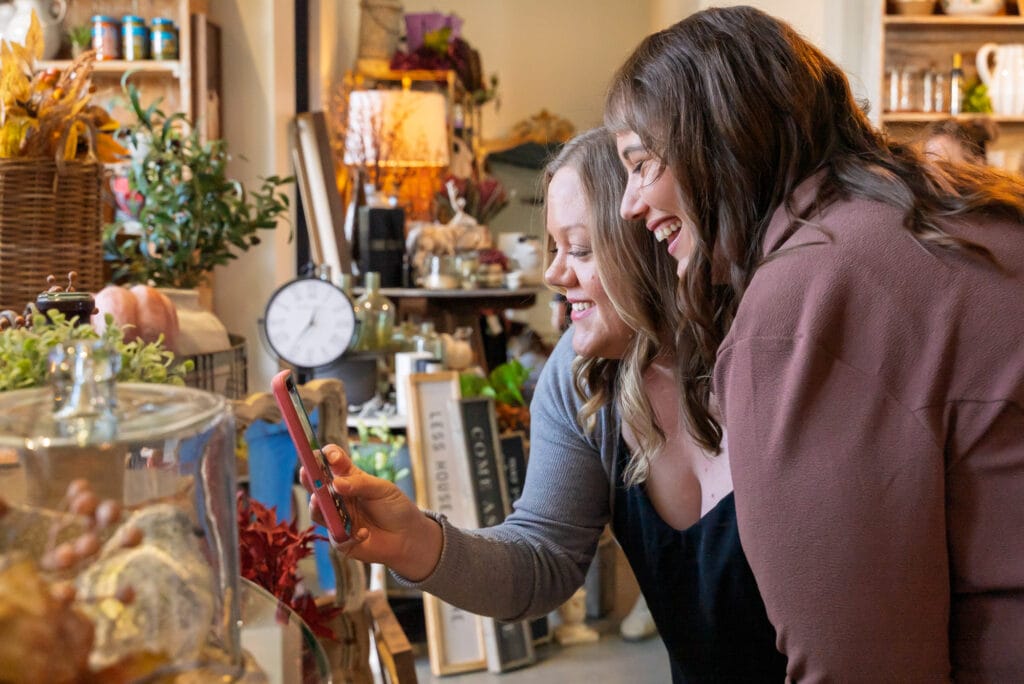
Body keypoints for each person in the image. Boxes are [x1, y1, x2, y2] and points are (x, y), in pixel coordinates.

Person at [605, 6, 1024, 680]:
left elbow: (861, 665)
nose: (628, 204)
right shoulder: (956, 208)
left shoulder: (803, 299)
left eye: (642, 163)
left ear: (723, 141)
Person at [305, 127, 787, 681]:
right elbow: (541, 561)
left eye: (579, 249)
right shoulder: (581, 376)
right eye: (554, 248)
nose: (554, 275)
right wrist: (412, 538)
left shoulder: (772, 364)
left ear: (657, 237)